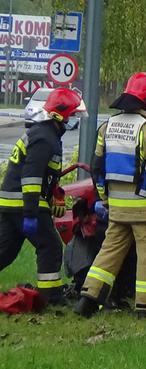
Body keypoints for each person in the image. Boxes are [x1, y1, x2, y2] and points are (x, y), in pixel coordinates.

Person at [74, 72, 146, 318]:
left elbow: (97, 168)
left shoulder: (107, 127)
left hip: (118, 209)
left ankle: (88, 300)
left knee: (109, 253)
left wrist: (105, 199)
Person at [0, 88, 85, 305]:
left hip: (11, 202)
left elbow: (45, 174)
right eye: (72, 115)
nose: (73, 119)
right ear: (59, 116)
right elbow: (31, 177)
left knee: (5, 251)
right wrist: (30, 213)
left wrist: (55, 194)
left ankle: (51, 295)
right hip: (24, 203)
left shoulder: (44, 133)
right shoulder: (45, 138)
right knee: (50, 246)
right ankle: (52, 297)